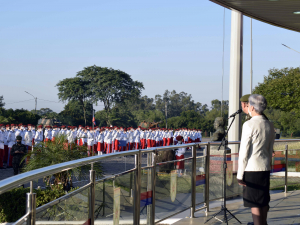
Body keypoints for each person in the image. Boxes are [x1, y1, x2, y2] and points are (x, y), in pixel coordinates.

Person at [237, 94, 274, 225]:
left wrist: (240, 174)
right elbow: (270, 149)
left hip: (252, 170)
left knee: (255, 204)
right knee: (263, 202)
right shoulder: (269, 124)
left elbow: (244, 152)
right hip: (265, 168)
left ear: (251, 107)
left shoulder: (249, 125)